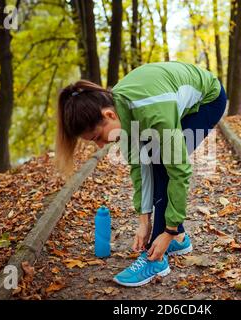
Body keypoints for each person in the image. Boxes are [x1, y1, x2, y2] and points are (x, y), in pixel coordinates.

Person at [55, 61, 227, 287]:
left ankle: (156, 259)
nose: (100, 146)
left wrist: (168, 229)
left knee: (164, 164)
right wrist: (143, 220)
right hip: (165, 99)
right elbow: (139, 167)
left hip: (208, 99)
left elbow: (179, 171)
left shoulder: (153, 111)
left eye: (98, 137)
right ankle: (179, 240)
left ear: (108, 114)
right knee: (153, 160)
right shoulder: (120, 112)